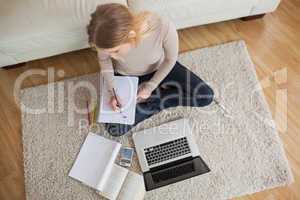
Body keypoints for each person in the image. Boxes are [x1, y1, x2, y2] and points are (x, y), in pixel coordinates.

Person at [87, 3, 214, 136]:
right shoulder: (104, 37)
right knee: (114, 129)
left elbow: (170, 60)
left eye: (115, 51)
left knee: (205, 96)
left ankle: (158, 100)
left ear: (131, 35)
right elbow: (103, 59)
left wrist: (150, 86)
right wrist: (112, 91)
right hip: (128, 76)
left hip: (161, 68)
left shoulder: (163, 26)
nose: (110, 56)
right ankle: (158, 98)